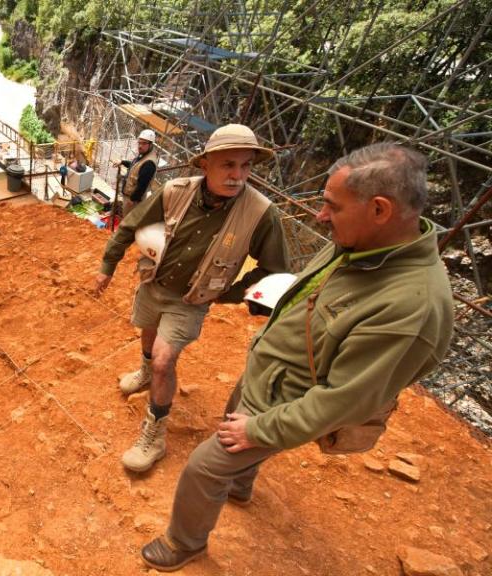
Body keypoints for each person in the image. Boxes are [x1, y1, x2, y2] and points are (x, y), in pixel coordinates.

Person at [139, 143, 455, 572]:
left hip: (284, 402)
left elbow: (345, 399)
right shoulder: (363, 243)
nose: (321, 217)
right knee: (236, 429)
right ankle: (241, 485)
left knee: (203, 467)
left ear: (380, 209)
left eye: (332, 206)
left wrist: (261, 429)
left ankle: (185, 541)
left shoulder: (411, 308)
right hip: (269, 376)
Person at [94, 123, 288, 473]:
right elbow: (130, 224)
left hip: (190, 302)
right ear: (205, 164)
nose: (237, 175)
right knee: (148, 334)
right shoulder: (174, 191)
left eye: (245, 166)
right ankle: (145, 372)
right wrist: (108, 265)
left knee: (165, 360)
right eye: (228, 165)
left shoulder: (260, 213)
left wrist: (227, 292)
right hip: (154, 284)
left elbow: (274, 269)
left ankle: (154, 436)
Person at [116, 129, 159, 215]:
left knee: (127, 220)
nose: (140, 146)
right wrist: (122, 162)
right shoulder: (144, 155)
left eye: (144, 143)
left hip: (133, 200)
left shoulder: (149, 163)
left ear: (151, 144)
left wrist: (132, 200)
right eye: (139, 143)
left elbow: (142, 185)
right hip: (129, 196)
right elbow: (134, 166)